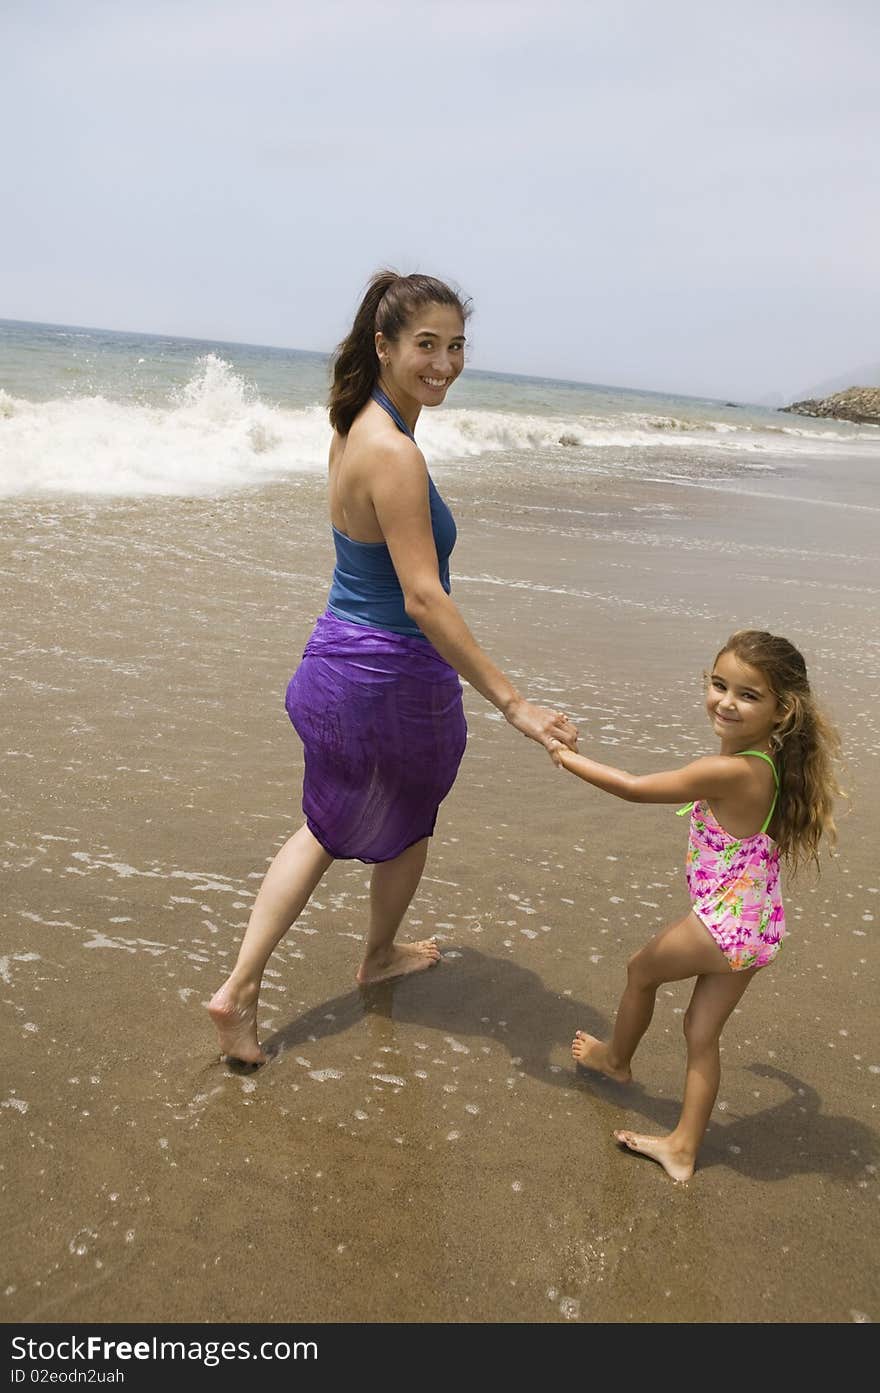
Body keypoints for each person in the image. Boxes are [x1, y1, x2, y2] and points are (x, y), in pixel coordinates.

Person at [209, 270, 579, 1064]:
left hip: (333, 661)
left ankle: (239, 986)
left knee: (321, 826)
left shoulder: (352, 425)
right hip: (390, 680)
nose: (443, 363)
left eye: (455, 346)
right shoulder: (395, 454)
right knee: (407, 818)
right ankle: (373, 955)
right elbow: (423, 598)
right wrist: (517, 705)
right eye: (426, 346)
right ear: (383, 347)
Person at [547, 629, 843, 1182]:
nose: (726, 702)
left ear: (783, 711)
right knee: (701, 1035)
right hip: (758, 926)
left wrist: (564, 755)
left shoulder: (731, 771)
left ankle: (616, 1060)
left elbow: (634, 788)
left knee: (640, 971)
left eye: (748, 695)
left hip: (723, 924)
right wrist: (795, 1092)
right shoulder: (775, 763)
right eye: (719, 685)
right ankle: (682, 1149)